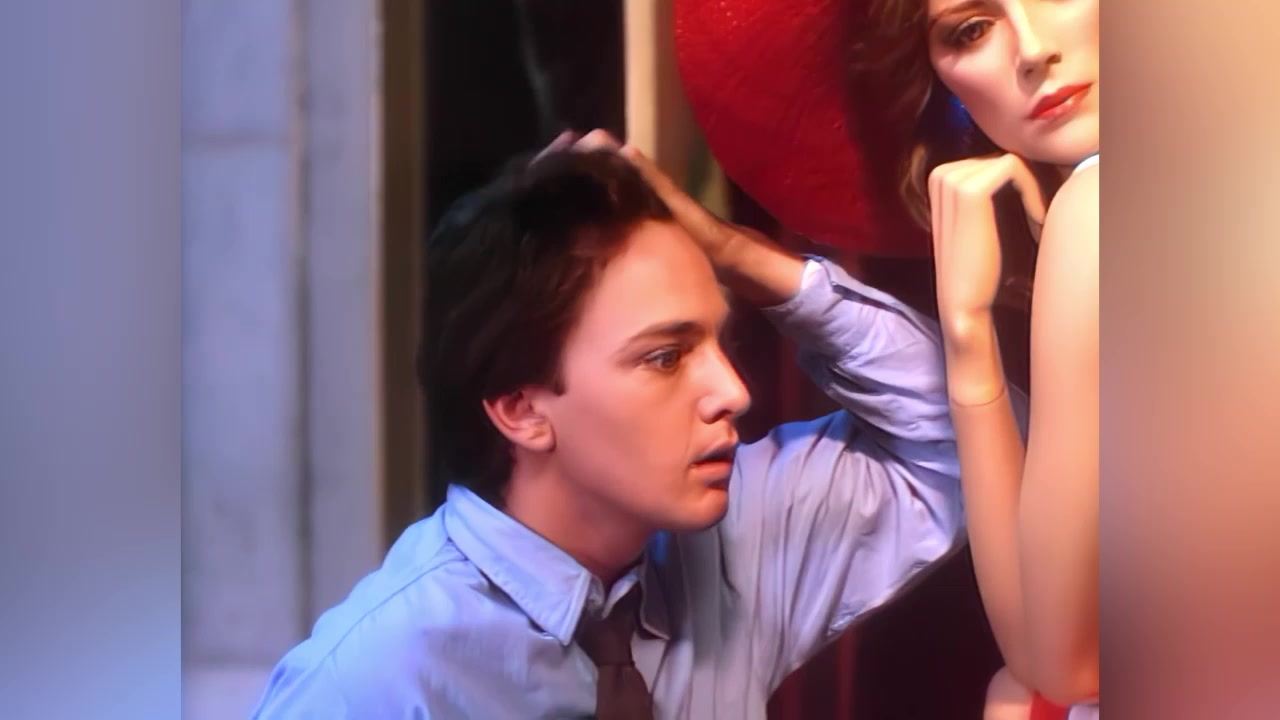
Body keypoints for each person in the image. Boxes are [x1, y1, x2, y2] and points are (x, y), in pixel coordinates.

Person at [249, 138, 989, 719]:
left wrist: (736, 253)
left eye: (719, 343)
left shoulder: (734, 545)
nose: (733, 392)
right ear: (521, 409)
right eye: (665, 357)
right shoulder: (375, 680)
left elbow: (980, 444)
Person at [672, 0, 1099, 717]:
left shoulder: (1096, 211)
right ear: (938, 84)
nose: (1032, 50)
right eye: (972, 30)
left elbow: (1057, 660)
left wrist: (967, 330)